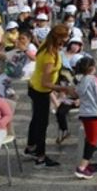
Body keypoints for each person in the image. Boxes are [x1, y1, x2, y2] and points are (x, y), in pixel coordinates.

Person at [26, 24, 72, 167]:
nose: (67, 40)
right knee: (42, 124)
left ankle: (31, 146)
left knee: (35, 119)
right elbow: (46, 82)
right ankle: (41, 157)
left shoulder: (46, 45)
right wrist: (64, 89)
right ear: (58, 39)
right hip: (40, 91)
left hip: (34, 86)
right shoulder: (49, 56)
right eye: (65, 38)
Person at [73, 56, 97, 179]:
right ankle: (82, 167)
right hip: (94, 113)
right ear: (92, 68)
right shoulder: (94, 80)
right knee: (93, 141)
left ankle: (86, 165)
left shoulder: (81, 80)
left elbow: (77, 92)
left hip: (84, 113)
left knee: (89, 139)